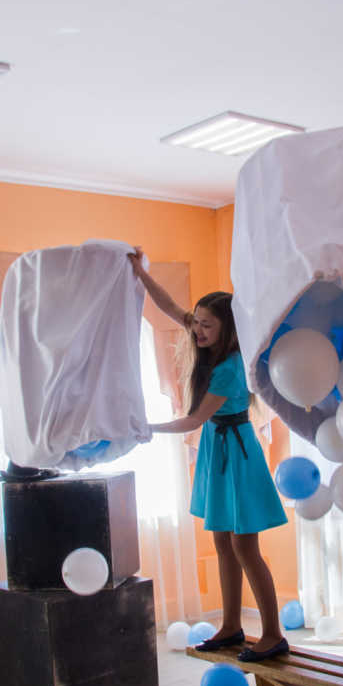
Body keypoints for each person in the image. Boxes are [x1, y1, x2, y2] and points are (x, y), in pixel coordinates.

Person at [129, 248, 289, 662]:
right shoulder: (207, 340)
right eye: (196, 322)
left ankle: (273, 633)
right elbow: (169, 307)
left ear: (227, 329)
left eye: (206, 325)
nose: (197, 330)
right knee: (222, 541)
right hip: (218, 447)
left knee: (245, 547)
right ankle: (232, 625)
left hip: (237, 452)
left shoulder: (230, 367)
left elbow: (193, 420)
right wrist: (140, 274)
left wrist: (144, 428)